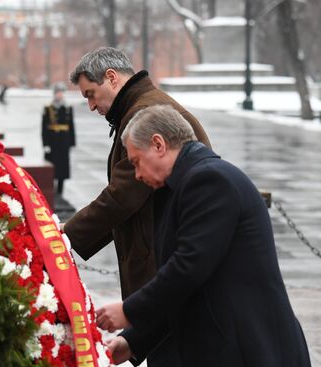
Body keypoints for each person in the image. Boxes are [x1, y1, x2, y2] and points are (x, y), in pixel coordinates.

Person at [96, 104, 311, 366]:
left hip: (251, 350)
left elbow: (188, 267)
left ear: (158, 144)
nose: (138, 174)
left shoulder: (209, 181)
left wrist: (129, 310)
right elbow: (186, 290)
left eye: (136, 162)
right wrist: (132, 342)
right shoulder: (181, 185)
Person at [62, 47, 210, 365]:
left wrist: (64, 237)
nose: (90, 106)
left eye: (91, 94)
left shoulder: (146, 113)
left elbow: (122, 196)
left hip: (166, 263)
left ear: (112, 78)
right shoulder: (140, 107)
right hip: (165, 260)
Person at [41, 82, 75, 196]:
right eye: (58, 93)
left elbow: (71, 125)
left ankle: (60, 191)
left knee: (63, 167)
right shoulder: (48, 108)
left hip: (64, 140)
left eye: (61, 93)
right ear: (54, 94)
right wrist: (45, 144)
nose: (60, 95)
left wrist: (72, 142)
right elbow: (44, 127)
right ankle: (52, 190)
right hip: (52, 141)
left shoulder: (68, 108)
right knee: (52, 166)